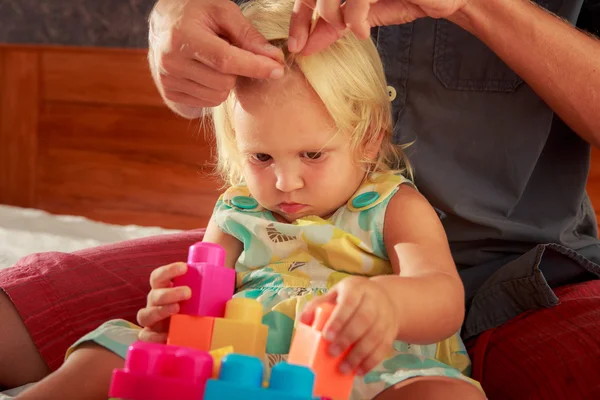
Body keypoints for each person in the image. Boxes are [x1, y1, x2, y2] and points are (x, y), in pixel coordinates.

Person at [0, 0, 598, 398]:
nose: (285, 184)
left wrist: (389, 305)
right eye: (261, 159)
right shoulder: (238, 209)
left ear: (368, 138)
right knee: (111, 346)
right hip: (244, 348)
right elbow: (203, 287)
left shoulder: (390, 205)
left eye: (312, 156)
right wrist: (174, 304)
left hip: (368, 357)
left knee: (439, 392)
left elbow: (442, 297)